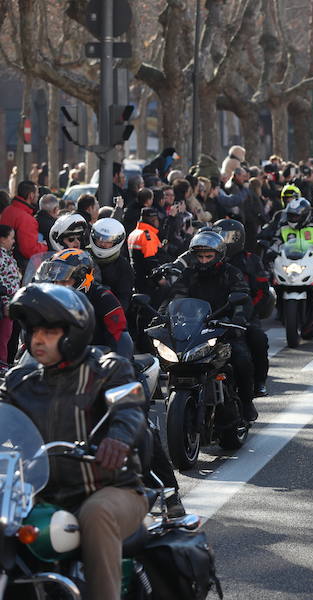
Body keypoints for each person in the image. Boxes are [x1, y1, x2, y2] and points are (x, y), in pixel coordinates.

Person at [1, 283, 147, 600]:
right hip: (40, 495)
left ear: (73, 332)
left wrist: (118, 439)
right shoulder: (20, 381)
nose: (37, 340)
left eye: (49, 332)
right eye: (32, 331)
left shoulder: (109, 369)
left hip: (111, 489)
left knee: (96, 516)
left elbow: (130, 411)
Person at [166, 231, 257, 421]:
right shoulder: (189, 275)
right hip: (193, 330)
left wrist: (238, 319)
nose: (204, 260)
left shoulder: (231, 273)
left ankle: (247, 402)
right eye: (200, 256)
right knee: (171, 360)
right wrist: (162, 317)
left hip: (223, 328)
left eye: (208, 256)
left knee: (242, 358)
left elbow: (242, 297)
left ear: (219, 255)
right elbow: (176, 297)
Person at [35, 249, 131, 358]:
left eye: (65, 281)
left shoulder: (104, 298)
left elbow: (120, 336)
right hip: (58, 361)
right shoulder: (50, 300)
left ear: (82, 278)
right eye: (56, 281)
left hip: (96, 364)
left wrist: (118, 365)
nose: (58, 286)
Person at [214, 219, 272, 396]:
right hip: (212, 316)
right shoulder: (210, 259)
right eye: (220, 236)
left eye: (229, 237)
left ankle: (259, 382)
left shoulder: (251, 260)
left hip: (244, 315)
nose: (224, 240)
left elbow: (262, 291)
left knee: (258, 339)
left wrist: (246, 311)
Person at [272, 200, 313, 324]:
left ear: (305, 215)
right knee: (275, 283)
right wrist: (271, 250)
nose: (292, 218)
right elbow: (276, 241)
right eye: (290, 215)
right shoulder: (284, 226)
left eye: (296, 216)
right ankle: (280, 309)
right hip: (289, 262)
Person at [89, 218, 135, 313]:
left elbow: (123, 300)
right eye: (99, 238)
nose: (102, 243)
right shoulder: (83, 256)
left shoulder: (123, 266)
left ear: (117, 242)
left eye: (108, 240)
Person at [0, 180, 47, 270]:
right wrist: (45, 246)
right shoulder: (26, 218)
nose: (38, 195)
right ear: (31, 195)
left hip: (6, 262)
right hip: (19, 267)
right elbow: (29, 251)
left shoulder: (8, 210)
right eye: (37, 193)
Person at [0, 225, 20, 367]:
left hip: (9, 302)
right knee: (3, 337)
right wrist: (6, 296)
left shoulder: (6, 254)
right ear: (2, 239)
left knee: (7, 336)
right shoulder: (1, 256)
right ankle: (2, 365)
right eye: (11, 238)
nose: (13, 241)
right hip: (5, 303)